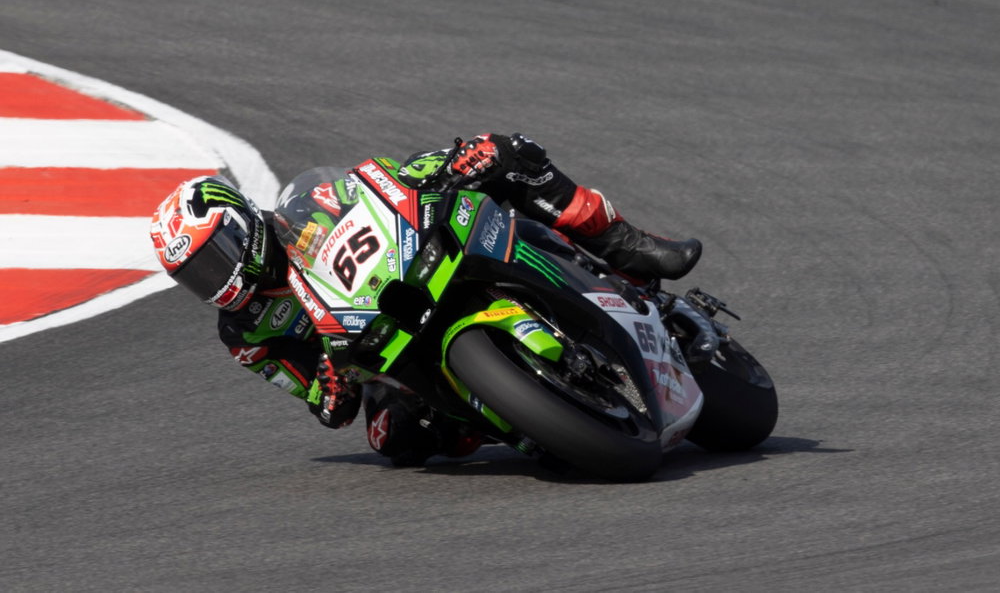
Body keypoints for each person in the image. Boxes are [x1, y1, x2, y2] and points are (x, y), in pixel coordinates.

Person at [148, 132, 700, 466]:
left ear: (241, 222)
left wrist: (448, 164)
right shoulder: (244, 332)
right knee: (395, 440)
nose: (213, 280)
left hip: (416, 266)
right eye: (194, 276)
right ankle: (522, 418)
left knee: (505, 153)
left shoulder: (308, 200)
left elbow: (382, 183)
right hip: (383, 355)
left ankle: (630, 248)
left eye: (214, 257)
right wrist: (331, 386)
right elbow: (321, 404)